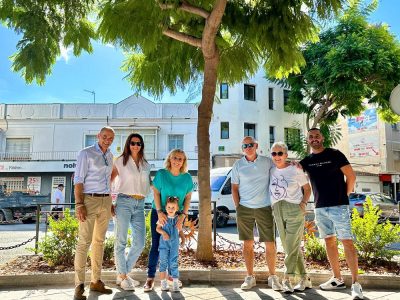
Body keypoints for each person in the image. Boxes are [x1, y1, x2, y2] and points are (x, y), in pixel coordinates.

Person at [300, 128, 363, 300]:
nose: (314, 139)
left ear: (323, 137)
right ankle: (337, 279)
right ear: (308, 140)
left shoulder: (335, 154)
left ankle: (356, 284)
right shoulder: (307, 161)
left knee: (347, 242)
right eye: (311, 137)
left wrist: (345, 196)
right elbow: (292, 172)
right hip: (320, 207)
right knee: (329, 241)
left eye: (317, 136)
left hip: (339, 206)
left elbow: (351, 176)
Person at [231, 136, 282, 291]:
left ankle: (272, 276)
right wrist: (238, 206)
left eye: (251, 144)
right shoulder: (238, 165)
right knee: (247, 243)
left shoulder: (267, 162)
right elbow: (234, 187)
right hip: (244, 208)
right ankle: (250, 276)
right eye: (245, 145)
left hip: (264, 207)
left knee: (270, 243)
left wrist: (294, 164)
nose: (248, 147)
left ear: (256, 145)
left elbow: (280, 168)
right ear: (242, 148)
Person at [73, 126, 115, 300]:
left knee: (99, 242)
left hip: (105, 200)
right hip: (88, 200)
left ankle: (96, 281)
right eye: (104, 136)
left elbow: (108, 180)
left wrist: (110, 202)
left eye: (111, 138)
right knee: (84, 242)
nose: (107, 140)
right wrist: (79, 203)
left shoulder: (110, 155)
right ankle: (78, 285)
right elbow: (78, 179)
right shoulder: (86, 153)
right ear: (98, 136)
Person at [143, 149, 193, 292]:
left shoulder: (187, 178)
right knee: (157, 245)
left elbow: (188, 198)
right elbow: (156, 193)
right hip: (159, 213)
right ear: (170, 159)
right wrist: (159, 212)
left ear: (183, 162)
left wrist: (183, 215)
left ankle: (171, 277)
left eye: (180, 159)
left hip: (177, 215)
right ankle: (150, 278)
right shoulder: (161, 174)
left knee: (173, 246)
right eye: (175, 158)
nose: (177, 161)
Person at [269, 142, 312, 293]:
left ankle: (287, 279)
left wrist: (303, 203)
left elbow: (307, 188)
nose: (277, 156)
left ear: (286, 155)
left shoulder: (295, 169)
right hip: (277, 209)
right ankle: (305, 279)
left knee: (291, 246)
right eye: (274, 154)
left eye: (280, 153)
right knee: (290, 247)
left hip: (294, 208)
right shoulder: (271, 169)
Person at [112, 133, 151, 291]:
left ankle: (123, 274)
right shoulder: (120, 161)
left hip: (140, 203)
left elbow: (148, 184)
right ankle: (123, 276)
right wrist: (110, 202)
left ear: (142, 145)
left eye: (139, 143)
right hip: (124, 202)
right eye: (133, 143)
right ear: (128, 144)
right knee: (120, 241)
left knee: (140, 242)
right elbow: (109, 180)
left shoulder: (146, 164)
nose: (136, 146)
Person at [156, 196, 186, 292]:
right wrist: (164, 233)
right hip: (163, 244)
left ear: (177, 209)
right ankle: (163, 283)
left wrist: (183, 239)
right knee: (163, 262)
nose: (170, 209)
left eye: (173, 207)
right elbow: (158, 229)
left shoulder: (178, 219)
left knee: (173, 262)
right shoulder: (163, 217)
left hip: (174, 244)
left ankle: (175, 283)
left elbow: (180, 230)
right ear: (165, 208)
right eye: (169, 207)